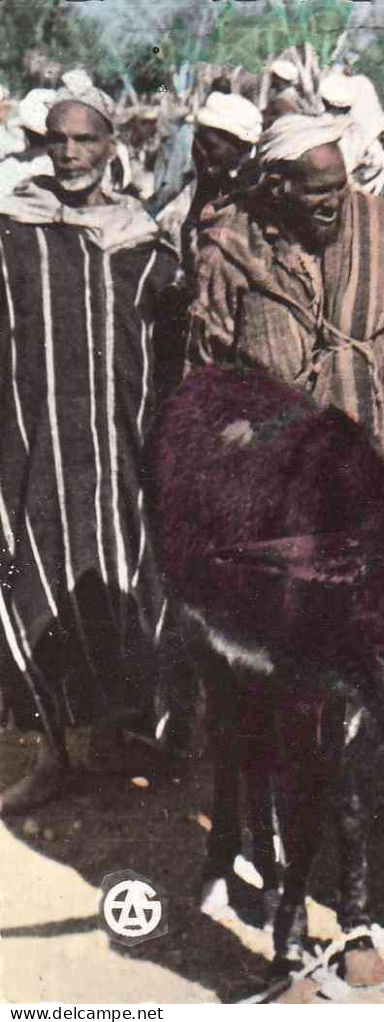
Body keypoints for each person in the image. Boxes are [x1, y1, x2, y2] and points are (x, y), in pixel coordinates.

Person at [0, 89, 183, 816]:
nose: (70, 154)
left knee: (126, 585)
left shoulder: (142, 243)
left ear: (113, 145)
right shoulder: (15, 233)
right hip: (35, 449)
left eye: (85, 140)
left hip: (123, 454)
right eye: (58, 141)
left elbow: (169, 348)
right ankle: (52, 752)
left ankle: (116, 738)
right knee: (34, 586)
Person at [187, 115, 384, 465]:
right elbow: (206, 358)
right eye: (318, 191)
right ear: (277, 187)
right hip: (278, 452)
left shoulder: (377, 232)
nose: (334, 203)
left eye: (339, 187)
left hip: (375, 438)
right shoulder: (233, 248)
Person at [153, 91, 261, 276]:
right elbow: (193, 219)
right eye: (198, 143)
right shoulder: (212, 171)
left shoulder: (257, 183)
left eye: (211, 146)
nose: (201, 152)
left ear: (241, 146)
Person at [318, 73, 384, 197]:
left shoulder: (315, 126)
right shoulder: (360, 132)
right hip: (348, 192)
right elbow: (379, 160)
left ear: (323, 101)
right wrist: (354, 181)